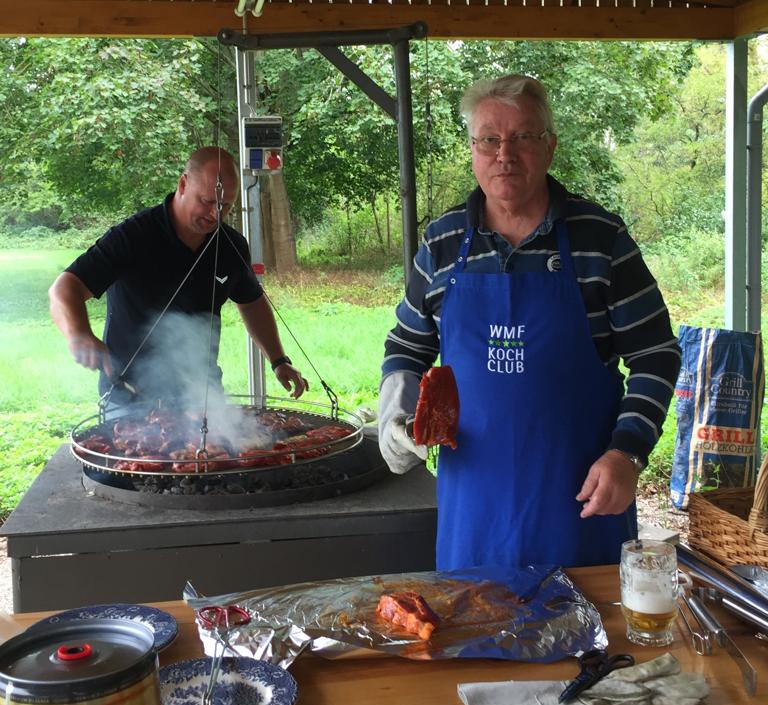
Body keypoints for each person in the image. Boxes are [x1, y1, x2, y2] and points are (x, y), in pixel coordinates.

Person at [378, 75, 681, 570]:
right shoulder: (443, 242)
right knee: (473, 635)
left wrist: (628, 453)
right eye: (490, 140)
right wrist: (396, 416)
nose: (505, 154)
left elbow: (655, 354)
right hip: (474, 512)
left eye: (523, 137)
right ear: (473, 148)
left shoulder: (599, 238)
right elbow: (408, 346)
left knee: (593, 644)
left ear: (550, 146)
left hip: (583, 504)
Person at [49, 146, 307, 410]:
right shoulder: (133, 236)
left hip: (202, 395)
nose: (215, 214)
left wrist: (278, 360)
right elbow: (65, 287)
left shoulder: (231, 246)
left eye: (225, 205)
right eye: (206, 201)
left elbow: (251, 302)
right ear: (183, 184)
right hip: (130, 398)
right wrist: (78, 333)